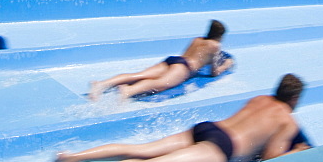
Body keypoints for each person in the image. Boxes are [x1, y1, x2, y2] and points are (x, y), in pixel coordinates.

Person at [45, 74, 309, 162]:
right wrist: (297, 151)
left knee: (140, 149)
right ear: (295, 98)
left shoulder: (260, 99)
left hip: (207, 128)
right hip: (221, 149)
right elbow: (271, 159)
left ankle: (72, 158)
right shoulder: (286, 120)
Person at [88, 20, 232, 101]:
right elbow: (214, 72)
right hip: (185, 67)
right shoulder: (215, 45)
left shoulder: (197, 39)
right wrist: (224, 65)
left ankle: (101, 84)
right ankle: (128, 90)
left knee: (139, 75)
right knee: (162, 83)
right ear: (220, 36)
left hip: (174, 60)